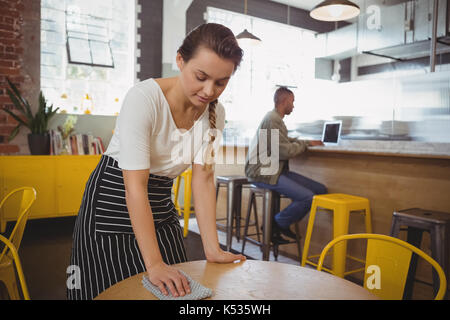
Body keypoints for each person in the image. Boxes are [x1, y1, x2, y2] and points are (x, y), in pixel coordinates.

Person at [67, 23, 246, 300]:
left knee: (180, 290)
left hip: (160, 202)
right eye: (201, 76)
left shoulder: (216, 112)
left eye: (221, 82)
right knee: (112, 292)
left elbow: (204, 177)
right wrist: (153, 263)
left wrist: (212, 248)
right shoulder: (143, 98)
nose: (209, 90)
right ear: (180, 60)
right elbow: (135, 187)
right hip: (113, 199)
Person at [245, 86, 327, 243]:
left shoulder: (275, 119)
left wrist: (306, 142)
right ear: (284, 101)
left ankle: (279, 223)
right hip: (262, 171)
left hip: (275, 170)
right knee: (308, 197)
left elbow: (283, 142)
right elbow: (284, 151)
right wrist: (304, 145)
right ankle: (277, 223)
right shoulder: (272, 119)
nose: (294, 106)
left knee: (320, 190)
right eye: (292, 101)